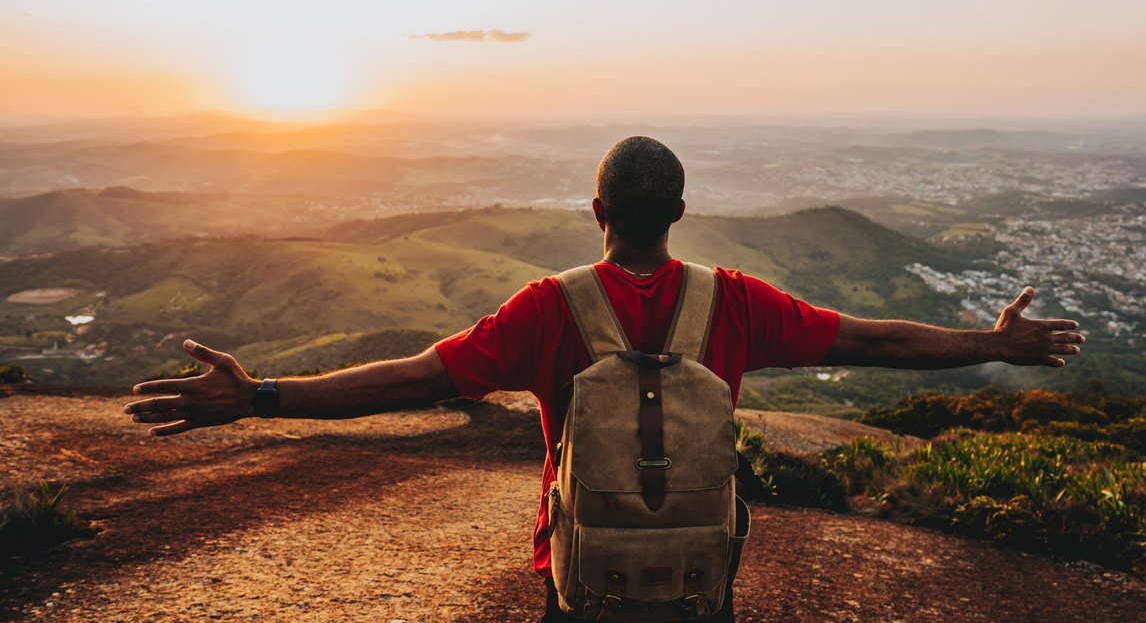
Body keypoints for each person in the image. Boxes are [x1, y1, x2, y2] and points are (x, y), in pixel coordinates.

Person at [123, 136, 1085, 622]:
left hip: (578, 572)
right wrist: (992, 344)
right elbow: (877, 343)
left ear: (596, 211)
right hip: (700, 571)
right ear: (679, 211)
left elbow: (417, 379)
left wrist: (259, 398)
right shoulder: (736, 303)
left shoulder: (549, 308)